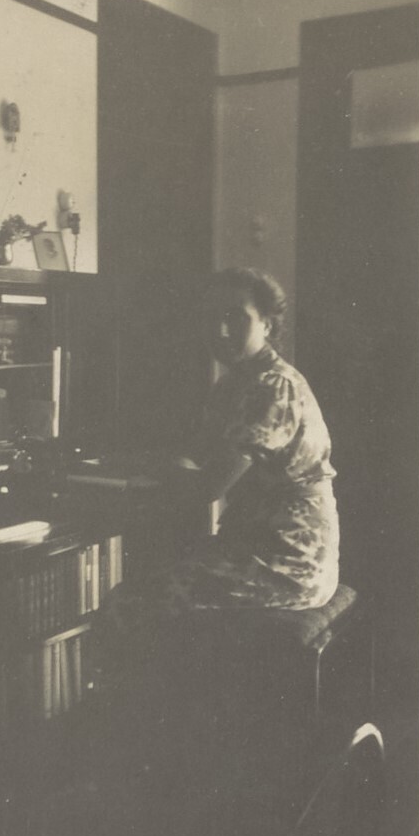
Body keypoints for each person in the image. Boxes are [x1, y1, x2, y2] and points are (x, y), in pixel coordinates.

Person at [94, 267, 340, 684]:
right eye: (211, 317)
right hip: (253, 544)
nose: (220, 330)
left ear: (267, 323)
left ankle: (138, 714)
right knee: (154, 578)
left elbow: (208, 486)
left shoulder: (272, 386)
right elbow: (195, 456)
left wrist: (161, 473)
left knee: (128, 602)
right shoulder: (232, 385)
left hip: (289, 560)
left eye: (236, 317)